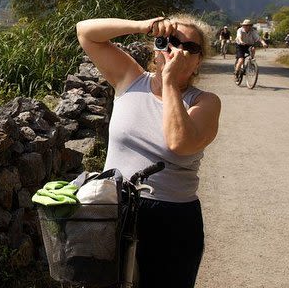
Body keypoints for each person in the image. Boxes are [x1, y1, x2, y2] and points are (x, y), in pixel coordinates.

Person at [76, 15, 221, 288]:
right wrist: (143, 25)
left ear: (199, 61)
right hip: (114, 207)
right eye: (171, 41)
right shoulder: (130, 78)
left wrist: (168, 82)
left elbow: (180, 142)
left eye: (190, 48)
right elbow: (85, 32)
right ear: (157, 46)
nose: (178, 51)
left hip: (173, 218)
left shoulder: (205, 102)